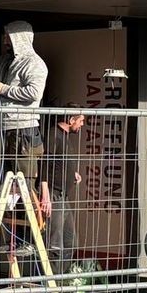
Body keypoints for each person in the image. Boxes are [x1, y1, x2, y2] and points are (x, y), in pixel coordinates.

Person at [0, 16, 49, 205]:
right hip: (3, 127)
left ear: (19, 38)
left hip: (22, 130)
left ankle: (35, 222)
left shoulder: (34, 63)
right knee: (0, 182)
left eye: (8, 36)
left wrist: (4, 89)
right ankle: (0, 223)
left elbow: (34, 93)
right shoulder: (7, 61)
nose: (5, 40)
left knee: (25, 186)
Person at [41, 107, 85, 270]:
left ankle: (60, 279)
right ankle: (50, 284)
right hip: (54, 194)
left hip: (63, 196)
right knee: (56, 244)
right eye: (80, 121)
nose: (82, 125)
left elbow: (59, 162)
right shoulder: (54, 135)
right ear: (71, 120)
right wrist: (46, 196)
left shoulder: (65, 136)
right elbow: (44, 164)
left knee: (70, 241)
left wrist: (72, 173)